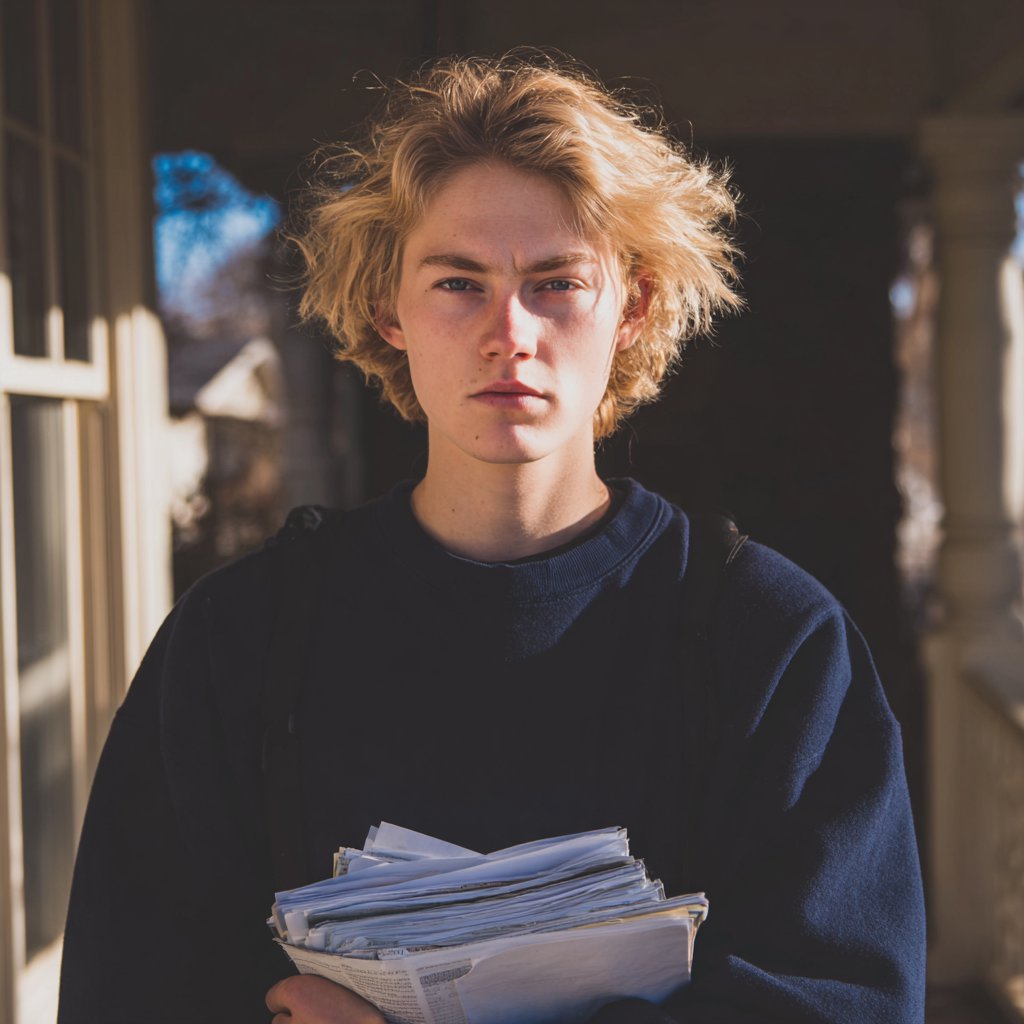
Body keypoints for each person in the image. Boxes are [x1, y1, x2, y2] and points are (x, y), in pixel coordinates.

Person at [58, 55, 926, 1024]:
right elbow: (124, 990)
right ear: (388, 307)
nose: (509, 331)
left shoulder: (773, 642)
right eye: (458, 282)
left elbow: (842, 1000)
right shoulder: (238, 641)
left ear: (633, 306)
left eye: (555, 282)